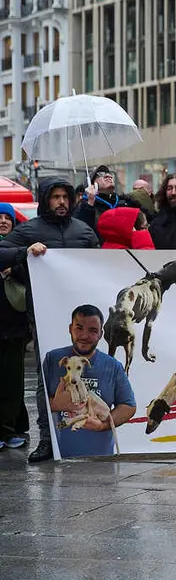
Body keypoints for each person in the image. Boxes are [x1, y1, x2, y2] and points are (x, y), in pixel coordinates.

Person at [0, 177, 100, 463]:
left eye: (65, 197)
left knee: (89, 373)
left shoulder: (83, 230)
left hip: (82, 316)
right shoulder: (28, 230)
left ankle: (90, 431)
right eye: (55, 197)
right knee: (48, 377)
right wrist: (24, 253)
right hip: (44, 315)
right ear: (46, 200)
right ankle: (47, 438)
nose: (61, 202)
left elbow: (100, 261)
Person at [43, 304, 137, 458]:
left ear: (101, 334)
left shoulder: (113, 366)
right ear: (70, 329)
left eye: (92, 330)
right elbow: (40, 400)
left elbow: (128, 406)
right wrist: (55, 404)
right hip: (57, 458)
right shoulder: (53, 359)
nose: (85, 336)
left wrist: (102, 426)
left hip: (101, 459)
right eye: (79, 328)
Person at [0, 203, 31, 450]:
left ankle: (9, 429)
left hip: (14, 327)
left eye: (7, 218)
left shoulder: (23, 248)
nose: (3, 221)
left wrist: (17, 268)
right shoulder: (21, 249)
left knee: (13, 381)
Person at [74, 165, 138, 232]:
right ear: (92, 185)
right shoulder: (84, 206)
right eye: (101, 174)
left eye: (110, 174)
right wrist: (89, 204)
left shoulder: (123, 202)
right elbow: (82, 229)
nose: (109, 176)